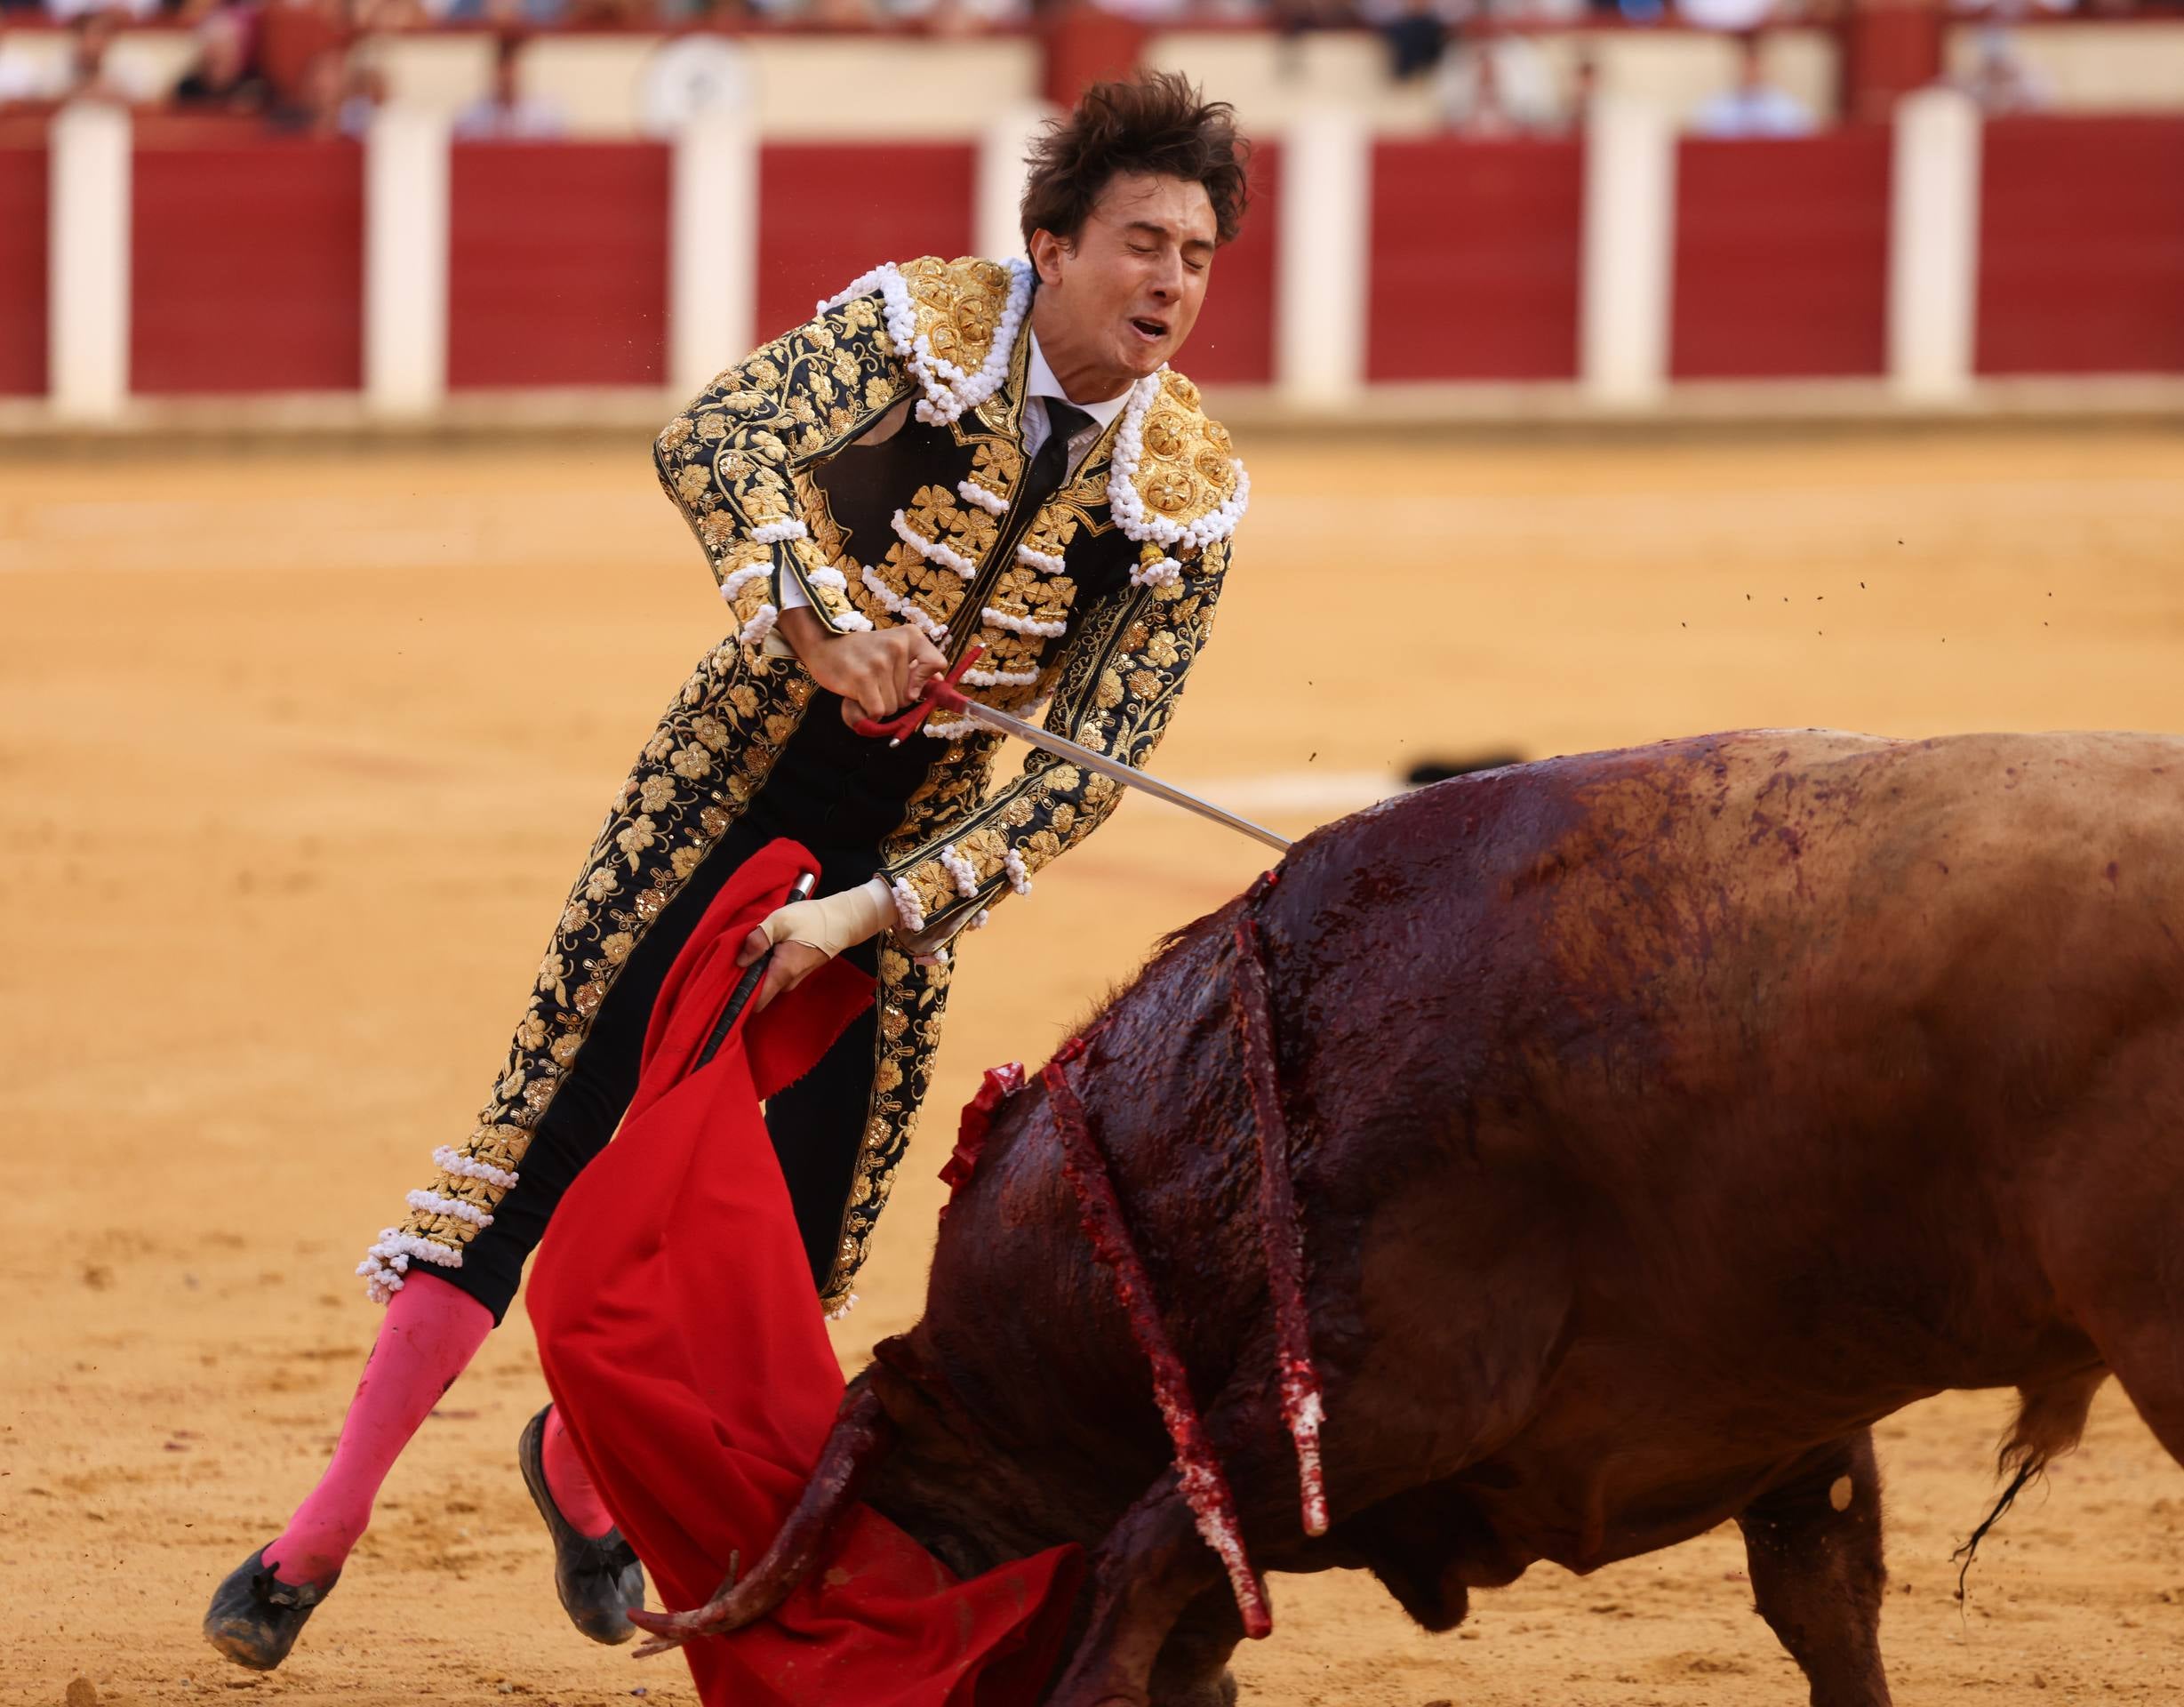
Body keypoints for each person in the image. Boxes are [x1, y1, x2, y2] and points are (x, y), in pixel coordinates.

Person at [203, 68, 1253, 1673]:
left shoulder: (1184, 493)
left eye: (1194, 252)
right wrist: (828, 626)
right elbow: (716, 435)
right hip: (731, 786)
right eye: (1138, 241)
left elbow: (1078, 776)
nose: (1169, 280)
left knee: (799, 1235)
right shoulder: (925, 321)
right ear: (1048, 242)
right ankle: (317, 1534)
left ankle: (577, 1462)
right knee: (544, 1132)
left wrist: (869, 913)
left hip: (896, 869)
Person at [1691, 30, 1814, 137]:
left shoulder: (1786, 109)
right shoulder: (1716, 108)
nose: (1749, 71)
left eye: (1754, 64)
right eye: (1745, 64)